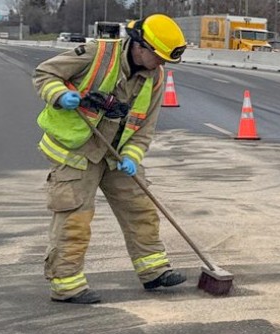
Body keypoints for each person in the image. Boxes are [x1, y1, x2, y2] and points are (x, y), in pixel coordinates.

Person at [32, 14, 187, 304]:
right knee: (75, 218)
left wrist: (131, 156)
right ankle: (67, 285)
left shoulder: (155, 77)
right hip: (78, 152)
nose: (162, 64)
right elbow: (44, 74)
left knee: (140, 208)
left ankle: (154, 271)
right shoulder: (98, 54)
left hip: (116, 154)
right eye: (159, 57)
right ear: (140, 46)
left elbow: (145, 127)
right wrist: (60, 95)